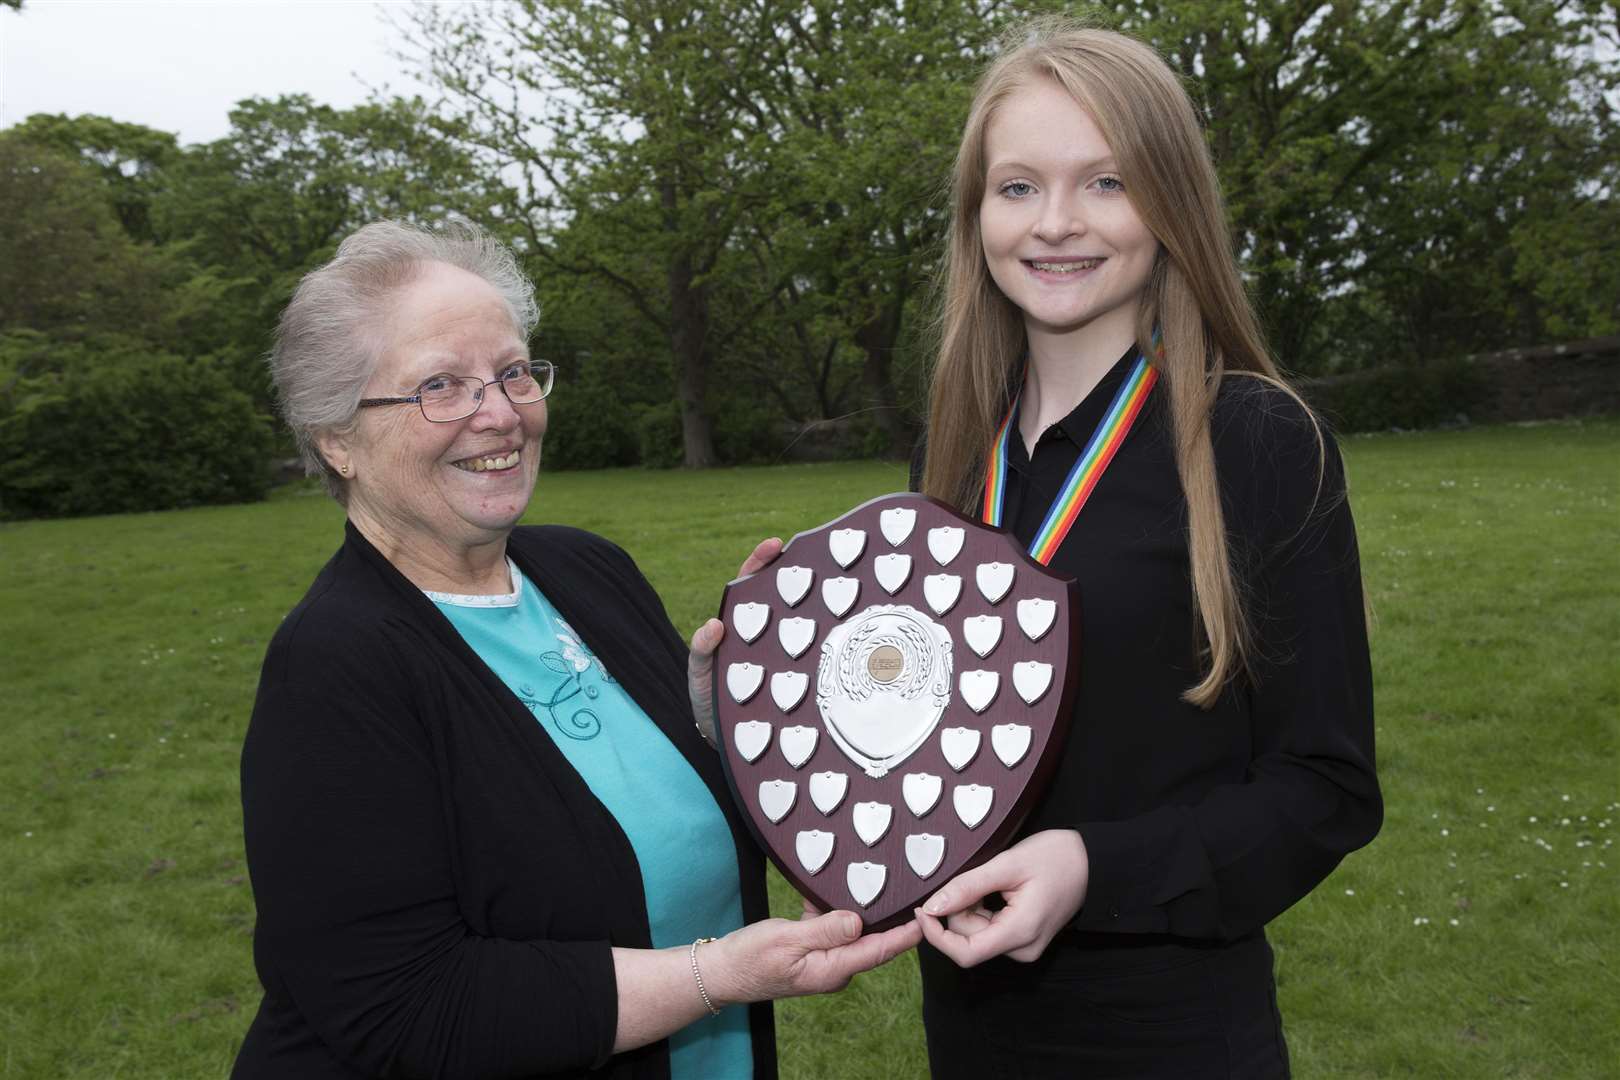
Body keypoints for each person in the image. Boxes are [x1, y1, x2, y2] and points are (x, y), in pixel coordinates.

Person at [233, 220, 919, 1079]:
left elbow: (656, 815)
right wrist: (717, 975)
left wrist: (732, 726)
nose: (500, 413)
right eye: (440, 386)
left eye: (513, 372)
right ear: (337, 438)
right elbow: (405, 1005)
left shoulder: (585, 570)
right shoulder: (336, 668)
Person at [910, 20, 1382, 1078]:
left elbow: (1326, 787)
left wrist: (1094, 867)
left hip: (1169, 1032)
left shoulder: (1257, 442)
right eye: (1018, 186)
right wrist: (775, 668)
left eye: (1107, 183)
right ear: (976, 213)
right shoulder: (950, 454)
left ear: (1170, 200)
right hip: (971, 1028)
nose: (1057, 224)